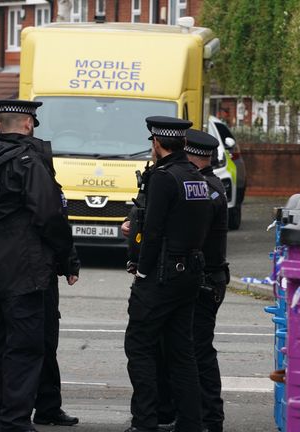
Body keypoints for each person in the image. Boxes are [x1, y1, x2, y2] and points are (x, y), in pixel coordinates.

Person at [0, 100, 74, 432]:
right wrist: (68, 258)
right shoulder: (28, 164)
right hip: (23, 271)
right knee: (25, 348)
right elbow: (49, 215)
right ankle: (13, 421)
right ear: (27, 124)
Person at [124, 116, 214, 432]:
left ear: (158, 143)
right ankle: (191, 422)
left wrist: (143, 272)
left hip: (162, 274)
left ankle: (145, 422)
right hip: (189, 272)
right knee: (182, 352)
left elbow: (152, 231)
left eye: (152, 143)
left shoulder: (163, 177)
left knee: (139, 346)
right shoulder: (195, 177)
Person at [153, 130, 230, 432]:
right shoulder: (210, 185)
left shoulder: (206, 189)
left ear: (188, 153)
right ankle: (190, 415)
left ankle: (210, 419)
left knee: (198, 352)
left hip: (204, 280)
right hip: (205, 278)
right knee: (186, 350)